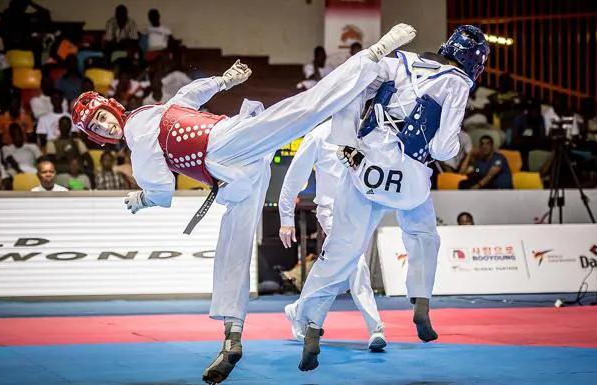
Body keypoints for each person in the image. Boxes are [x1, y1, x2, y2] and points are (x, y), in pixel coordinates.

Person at [70, 23, 417, 385]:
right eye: (98, 125)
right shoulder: (148, 118)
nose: (106, 125)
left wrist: (140, 199)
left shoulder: (137, 132)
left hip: (226, 145)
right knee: (233, 249)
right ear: (96, 136)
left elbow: (161, 191)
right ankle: (231, 339)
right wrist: (223, 82)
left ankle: (373, 54)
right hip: (233, 173)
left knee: (304, 109)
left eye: (102, 116)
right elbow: (187, 97)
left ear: (111, 108)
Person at [289, 25, 490, 371]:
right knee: (422, 233)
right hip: (409, 176)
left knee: (341, 250)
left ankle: (312, 326)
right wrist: (453, 144)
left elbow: (351, 93)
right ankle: (421, 302)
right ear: (473, 62)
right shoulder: (457, 82)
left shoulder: (398, 61)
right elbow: (443, 147)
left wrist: (348, 140)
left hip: (365, 167)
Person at [278, 120, 386, 352]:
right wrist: (286, 219)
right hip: (331, 213)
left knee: (340, 272)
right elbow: (293, 179)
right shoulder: (318, 136)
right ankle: (375, 328)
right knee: (356, 264)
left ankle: (299, 309)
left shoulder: (366, 131)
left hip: (360, 212)